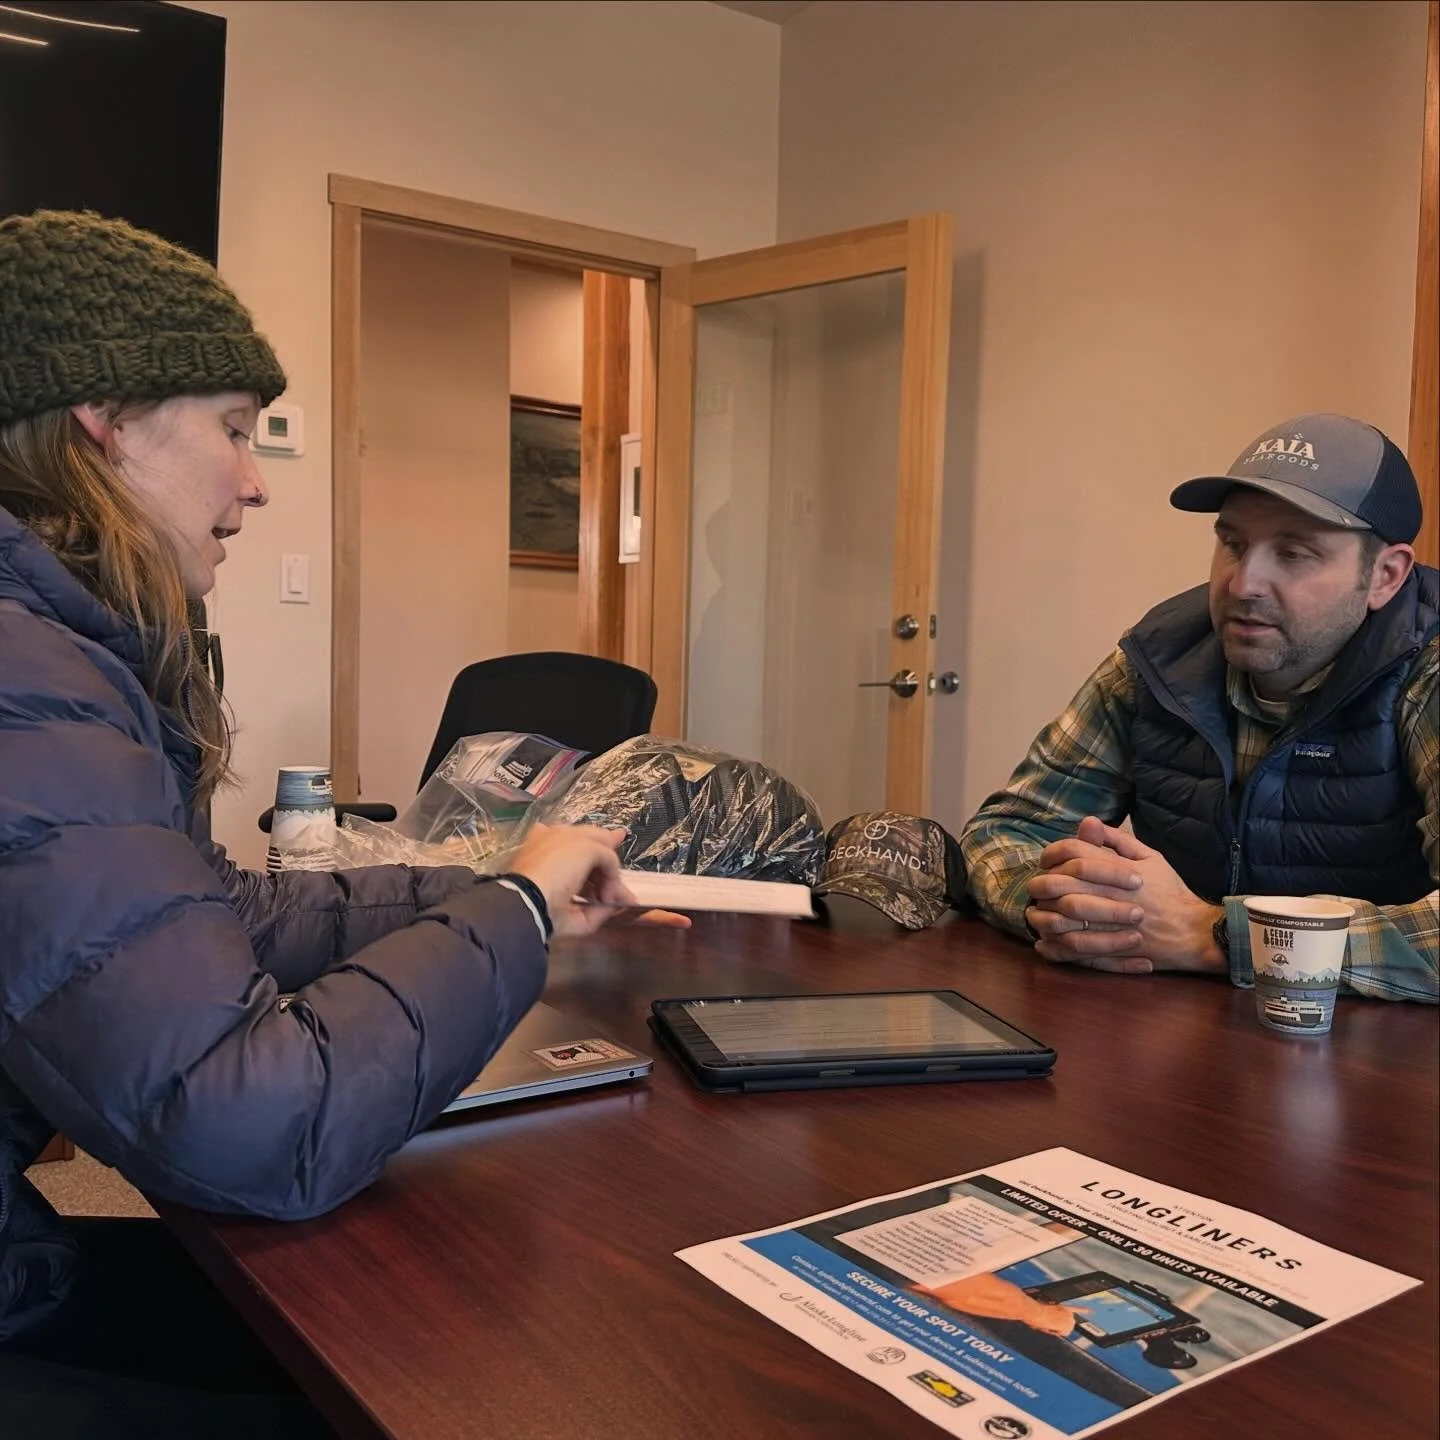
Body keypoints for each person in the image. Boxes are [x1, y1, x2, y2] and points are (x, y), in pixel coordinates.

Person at [0, 210, 685, 1436]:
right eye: (231, 427)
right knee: (455, 1367)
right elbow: (256, 1126)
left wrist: (494, 902)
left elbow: (216, 908)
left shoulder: (50, 652)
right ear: (102, 422)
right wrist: (518, 910)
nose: (257, 481)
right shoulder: (25, 681)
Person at [961, 413, 1437, 1003]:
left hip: (1382, 1065)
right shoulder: (1161, 659)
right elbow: (1010, 830)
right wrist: (1074, 911)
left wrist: (1210, 935)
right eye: (1233, 544)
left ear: (1385, 577)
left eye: (1294, 553)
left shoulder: (1427, 670)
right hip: (1181, 1040)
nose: (1243, 584)